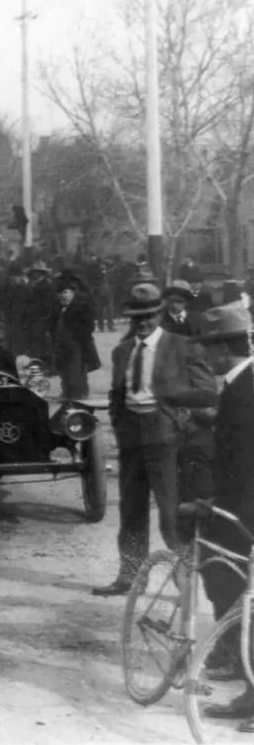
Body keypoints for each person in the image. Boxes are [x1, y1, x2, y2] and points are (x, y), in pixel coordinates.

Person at [92, 284, 217, 596]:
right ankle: (130, 576)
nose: (143, 322)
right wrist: (119, 423)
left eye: (149, 316)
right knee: (131, 511)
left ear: (160, 313)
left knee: (171, 512)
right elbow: (116, 394)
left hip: (167, 437)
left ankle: (183, 579)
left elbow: (207, 392)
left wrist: (175, 406)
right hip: (131, 437)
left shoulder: (183, 346)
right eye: (137, 317)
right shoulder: (122, 351)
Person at [191, 304, 254, 727]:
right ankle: (241, 671)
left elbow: (245, 462)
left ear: (223, 350)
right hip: (239, 509)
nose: (204, 359)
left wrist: (221, 510)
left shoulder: (245, 389)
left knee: (242, 598)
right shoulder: (241, 383)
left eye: (208, 350)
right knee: (236, 596)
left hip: (243, 512)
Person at [49, 275, 100, 400]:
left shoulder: (81, 307)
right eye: (60, 293)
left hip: (77, 344)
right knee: (64, 370)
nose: (63, 296)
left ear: (73, 293)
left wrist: (78, 336)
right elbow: (52, 325)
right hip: (61, 345)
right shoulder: (58, 309)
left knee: (76, 371)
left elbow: (89, 326)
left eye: (66, 292)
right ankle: (67, 392)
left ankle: (78, 394)